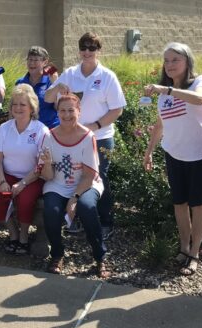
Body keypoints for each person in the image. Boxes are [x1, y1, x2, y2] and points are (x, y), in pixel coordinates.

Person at [143, 42, 202, 276]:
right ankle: (184, 247)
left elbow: (199, 99)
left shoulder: (200, 83)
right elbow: (160, 124)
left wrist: (166, 90)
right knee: (179, 204)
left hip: (200, 155)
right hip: (174, 154)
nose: (170, 65)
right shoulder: (165, 94)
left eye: (175, 59)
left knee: (197, 204)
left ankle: (195, 252)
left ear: (187, 62)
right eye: (166, 60)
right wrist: (149, 150)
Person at [44, 32, 126, 240]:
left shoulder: (107, 76)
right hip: (73, 139)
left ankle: (105, 221)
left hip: (100, 137)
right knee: (76, 177)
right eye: (84, 48)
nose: (87, 52)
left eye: (92, 48)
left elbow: (117, 109)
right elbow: (47, 98)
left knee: (100, 178)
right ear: (79, 50)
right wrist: (57, 88)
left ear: (99, 51)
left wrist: (95, 125)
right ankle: (78, 218)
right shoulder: (70, 74)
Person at [38, 94, 109, 277]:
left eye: (71, 110)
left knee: (87, 207)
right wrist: (46, 164)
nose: (67, 114)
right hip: (58, 184)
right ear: (57, 112)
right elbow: (48, 176)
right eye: (62, 110)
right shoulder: (49, 136)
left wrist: (74, 198)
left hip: (86, 184)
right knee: (51, 211)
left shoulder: (87, 136)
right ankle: (57, 254)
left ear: (79, 111)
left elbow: (89, 174)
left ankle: (100, 257)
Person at [0, 84, 49, 255]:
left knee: (26, 200)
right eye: (15, 104)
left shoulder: (41, 130)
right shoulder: (4, 128)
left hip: (32, 178)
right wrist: (1, 182)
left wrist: (23, 183)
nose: (18, 108)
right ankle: (13, 233)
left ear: (31, 108)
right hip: (7, 176)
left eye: (23, 104)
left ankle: (23, 237)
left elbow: (41, 164)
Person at [15, 46, 59, 129]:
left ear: (45, 62)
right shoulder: (20, 83)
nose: (32, 63)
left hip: (50, 129)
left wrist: (55, 84)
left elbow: (58, 107)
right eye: (30, 59)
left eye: (35, 60)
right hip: (28, 131)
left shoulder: (51, 82)